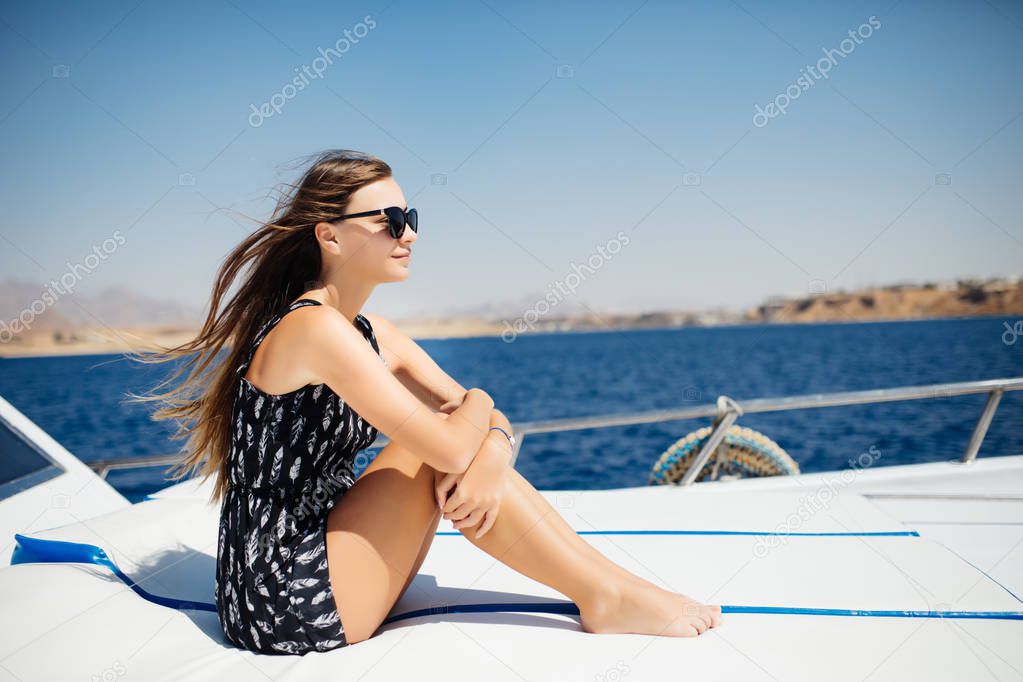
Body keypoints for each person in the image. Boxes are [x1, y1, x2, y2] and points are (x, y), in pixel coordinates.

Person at [136, 149, 721, 655]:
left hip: (328, 548)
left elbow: (475, 419)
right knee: (435, 452)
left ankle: (611, 589)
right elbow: (453, 432)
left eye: (409, 217)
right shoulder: (313, 329)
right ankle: (606, 595)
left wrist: (491, 451)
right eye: (388, 220)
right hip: (279, 597)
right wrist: (483, 419)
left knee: (451, 449)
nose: (408, 233)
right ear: (330, 234)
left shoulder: (370, 333)